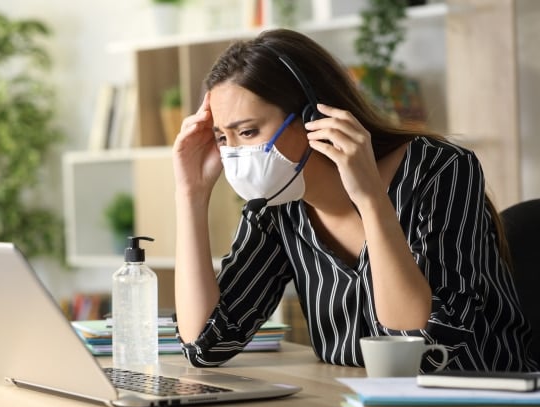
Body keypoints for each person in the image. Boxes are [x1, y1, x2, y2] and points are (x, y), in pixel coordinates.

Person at [171, 28, 537, 372]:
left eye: (248, 132)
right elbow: (206, 344)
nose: (236, 153)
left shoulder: (439, 168)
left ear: (314, 117)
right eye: (223, 138)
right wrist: (191, 195)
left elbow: (421, 349)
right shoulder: (278, 205)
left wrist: (370, 199)